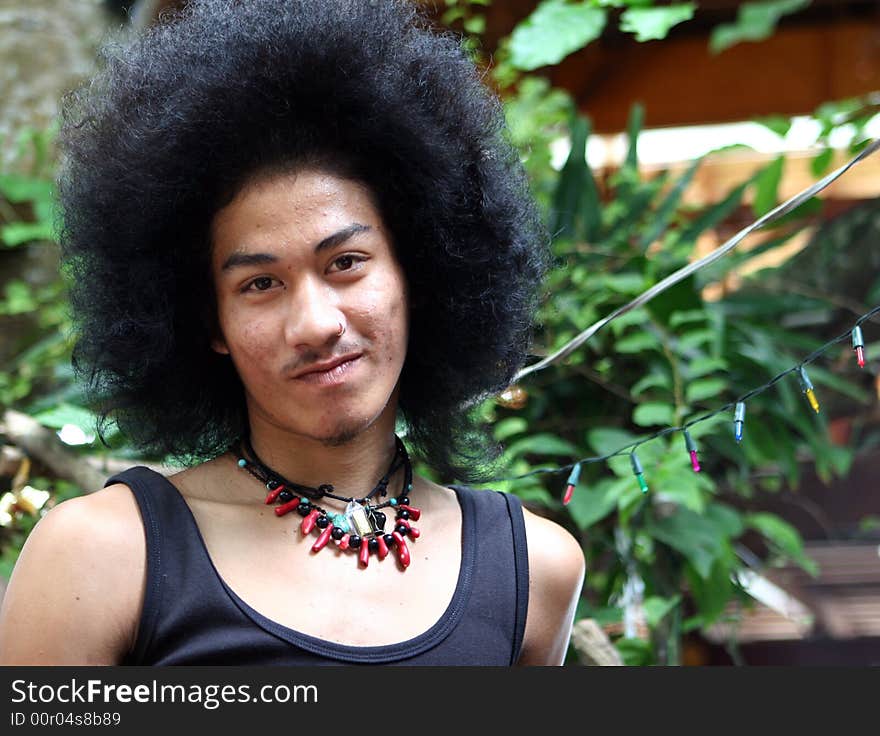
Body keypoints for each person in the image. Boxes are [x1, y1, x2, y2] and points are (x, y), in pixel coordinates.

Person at [0, 0, 585, 665]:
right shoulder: (102, 557)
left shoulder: (535, 570)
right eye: (260, 284)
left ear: (418, 274)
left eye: (346, 263)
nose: (315, 325)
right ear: (208, 322)